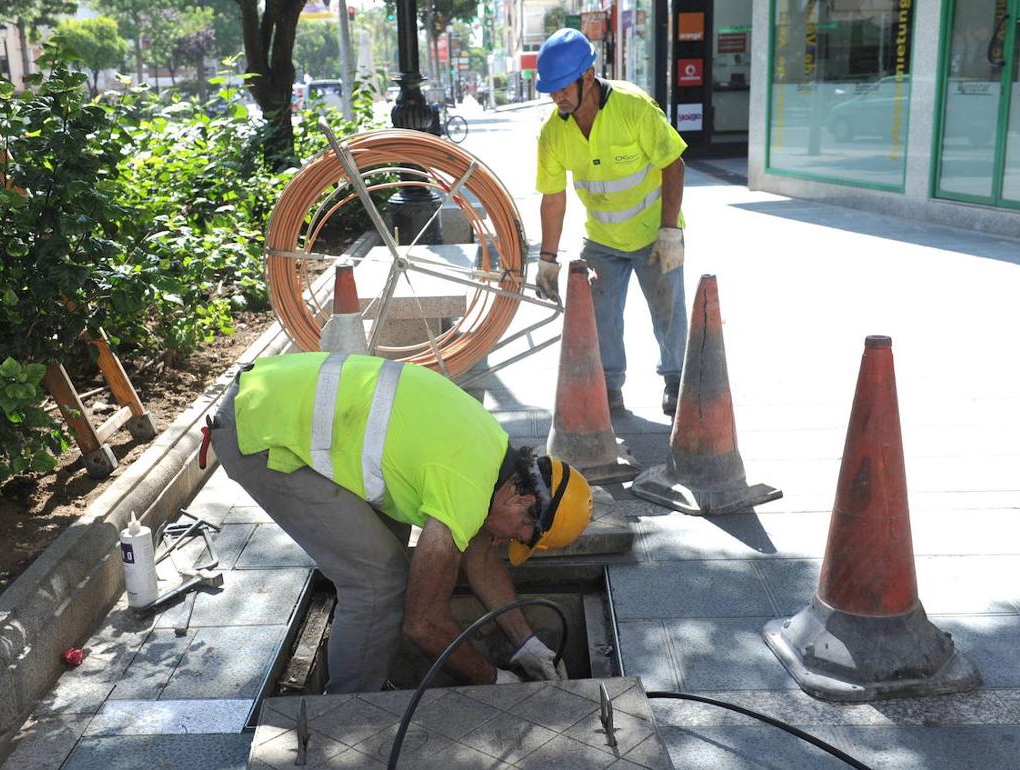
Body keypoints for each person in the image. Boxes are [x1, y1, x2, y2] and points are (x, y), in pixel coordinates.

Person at [206, 352, 594, 693]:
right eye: (524, 536)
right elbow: (422, 624)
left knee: (388, 554)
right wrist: (492, 681)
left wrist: (526, 643)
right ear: (522, 499)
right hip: (260, 432)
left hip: (270, 394)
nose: (511, 542)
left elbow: (480, 555)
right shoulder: (465, 488)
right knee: (379, 580)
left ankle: (366, 666)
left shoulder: (493, 454)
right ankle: (346, 713)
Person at [533, 28, 689, 416]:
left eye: (563, 88)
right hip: (602, 238)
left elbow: (674, 164)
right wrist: (546, 259)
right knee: (599, 318)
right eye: (551, 90)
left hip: (654, 233)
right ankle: (609, 388)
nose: (557, 97)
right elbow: (553, 198)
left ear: (588, 76)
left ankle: (677, 381)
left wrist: (669, 231)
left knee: (668, 311)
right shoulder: (553, 133)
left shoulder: (633, 107)